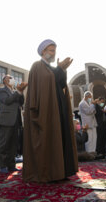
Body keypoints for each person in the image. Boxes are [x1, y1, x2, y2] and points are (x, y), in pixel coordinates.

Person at [23, 39, 78, 183]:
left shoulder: (52, 69)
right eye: (51, 50)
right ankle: (47, 173)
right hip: (45, 111)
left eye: (55, 50)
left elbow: (59, 84)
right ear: (43, 51)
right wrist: (59, 69)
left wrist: (62, 69)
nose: (54, 53)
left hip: (57, 109)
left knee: (59, 138)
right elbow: (42, 87)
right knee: (47, 139)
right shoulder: (37, 66)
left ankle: (60, 171)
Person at [0, 75, 27, 173]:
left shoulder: (15, 91)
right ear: (5, 81)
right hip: (6, 120)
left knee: (13, 145)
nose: (12, 79)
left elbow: (21, 102)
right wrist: (18, 92)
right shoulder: (1, 91)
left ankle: (11, 165)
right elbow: (7, 101)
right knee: (4, 144)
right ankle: (3, 165)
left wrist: (21, 92)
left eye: (12, 78)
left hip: (16, 121)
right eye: (9, 78)